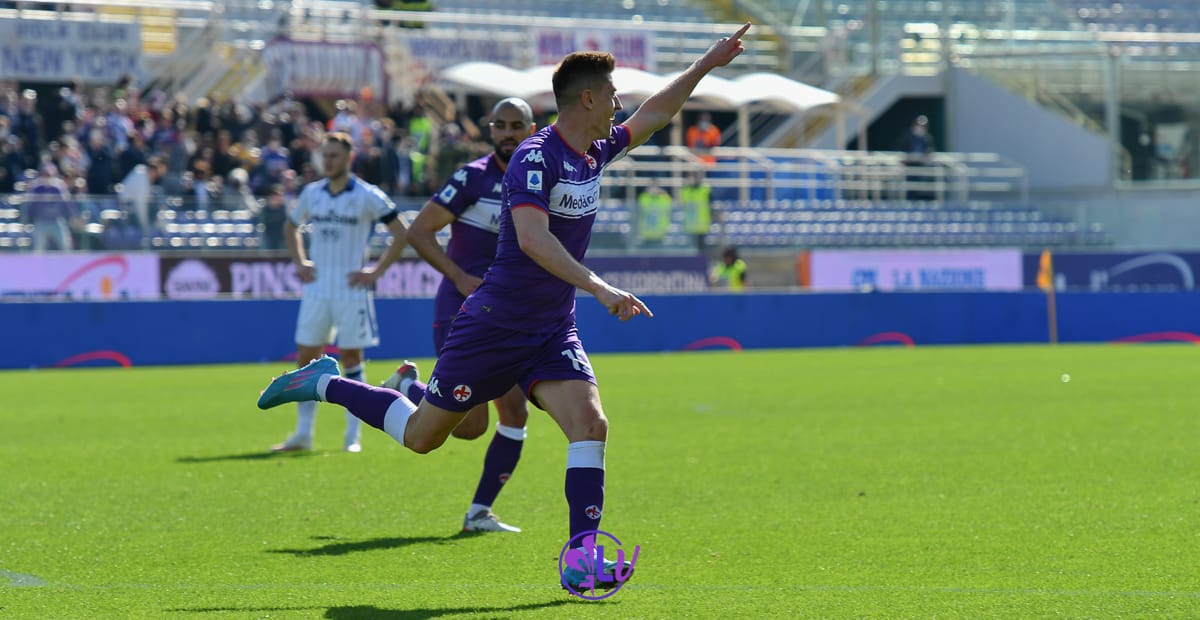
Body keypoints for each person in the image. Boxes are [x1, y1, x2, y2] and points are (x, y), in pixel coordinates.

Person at [256, 23, 752, 589]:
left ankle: (581, 557)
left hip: (551, 330)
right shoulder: (536, 159)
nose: (620, 106)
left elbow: (656, 114)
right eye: (613, 96)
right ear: (587, 99)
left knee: (591, 424)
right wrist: (600, 287)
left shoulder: (594, 150)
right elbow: (535, 241)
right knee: (424, 437)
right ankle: (324, 383)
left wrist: (706, 65)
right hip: (494, 325)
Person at [393, 97, 537, 533]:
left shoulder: (538, 180)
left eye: (517, 125)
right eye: (501, 125)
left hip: (510, 315)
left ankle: (479, 513)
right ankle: (408, 387)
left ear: (533, 129)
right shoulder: (472, 178)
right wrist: (457, 276)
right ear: (490, 129)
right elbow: (419, 229)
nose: (509, 132)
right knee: (471, 426)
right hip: (463, 312)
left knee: (515, 413)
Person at [270, 132, 409, 453]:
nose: (328, 161)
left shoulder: (366, 195)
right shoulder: (312, 193)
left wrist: (376, 271)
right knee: (307, 357)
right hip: (318, 287)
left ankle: (352, 436)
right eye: (325, 155)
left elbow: (401, 232)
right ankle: (303, 433)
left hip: (351, 288)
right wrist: (300, 261)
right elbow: (291, 226)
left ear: (348, 158)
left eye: (334, 155)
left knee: (350, 358)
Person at [679, 169, 712, 255]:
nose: (691, 179)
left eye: (694, 176)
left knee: (701, 252)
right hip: (689, 227)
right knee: (689, 254)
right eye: (689, 177)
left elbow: (711, 204)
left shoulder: (704, 190)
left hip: (701, 227)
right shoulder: (685, 191)